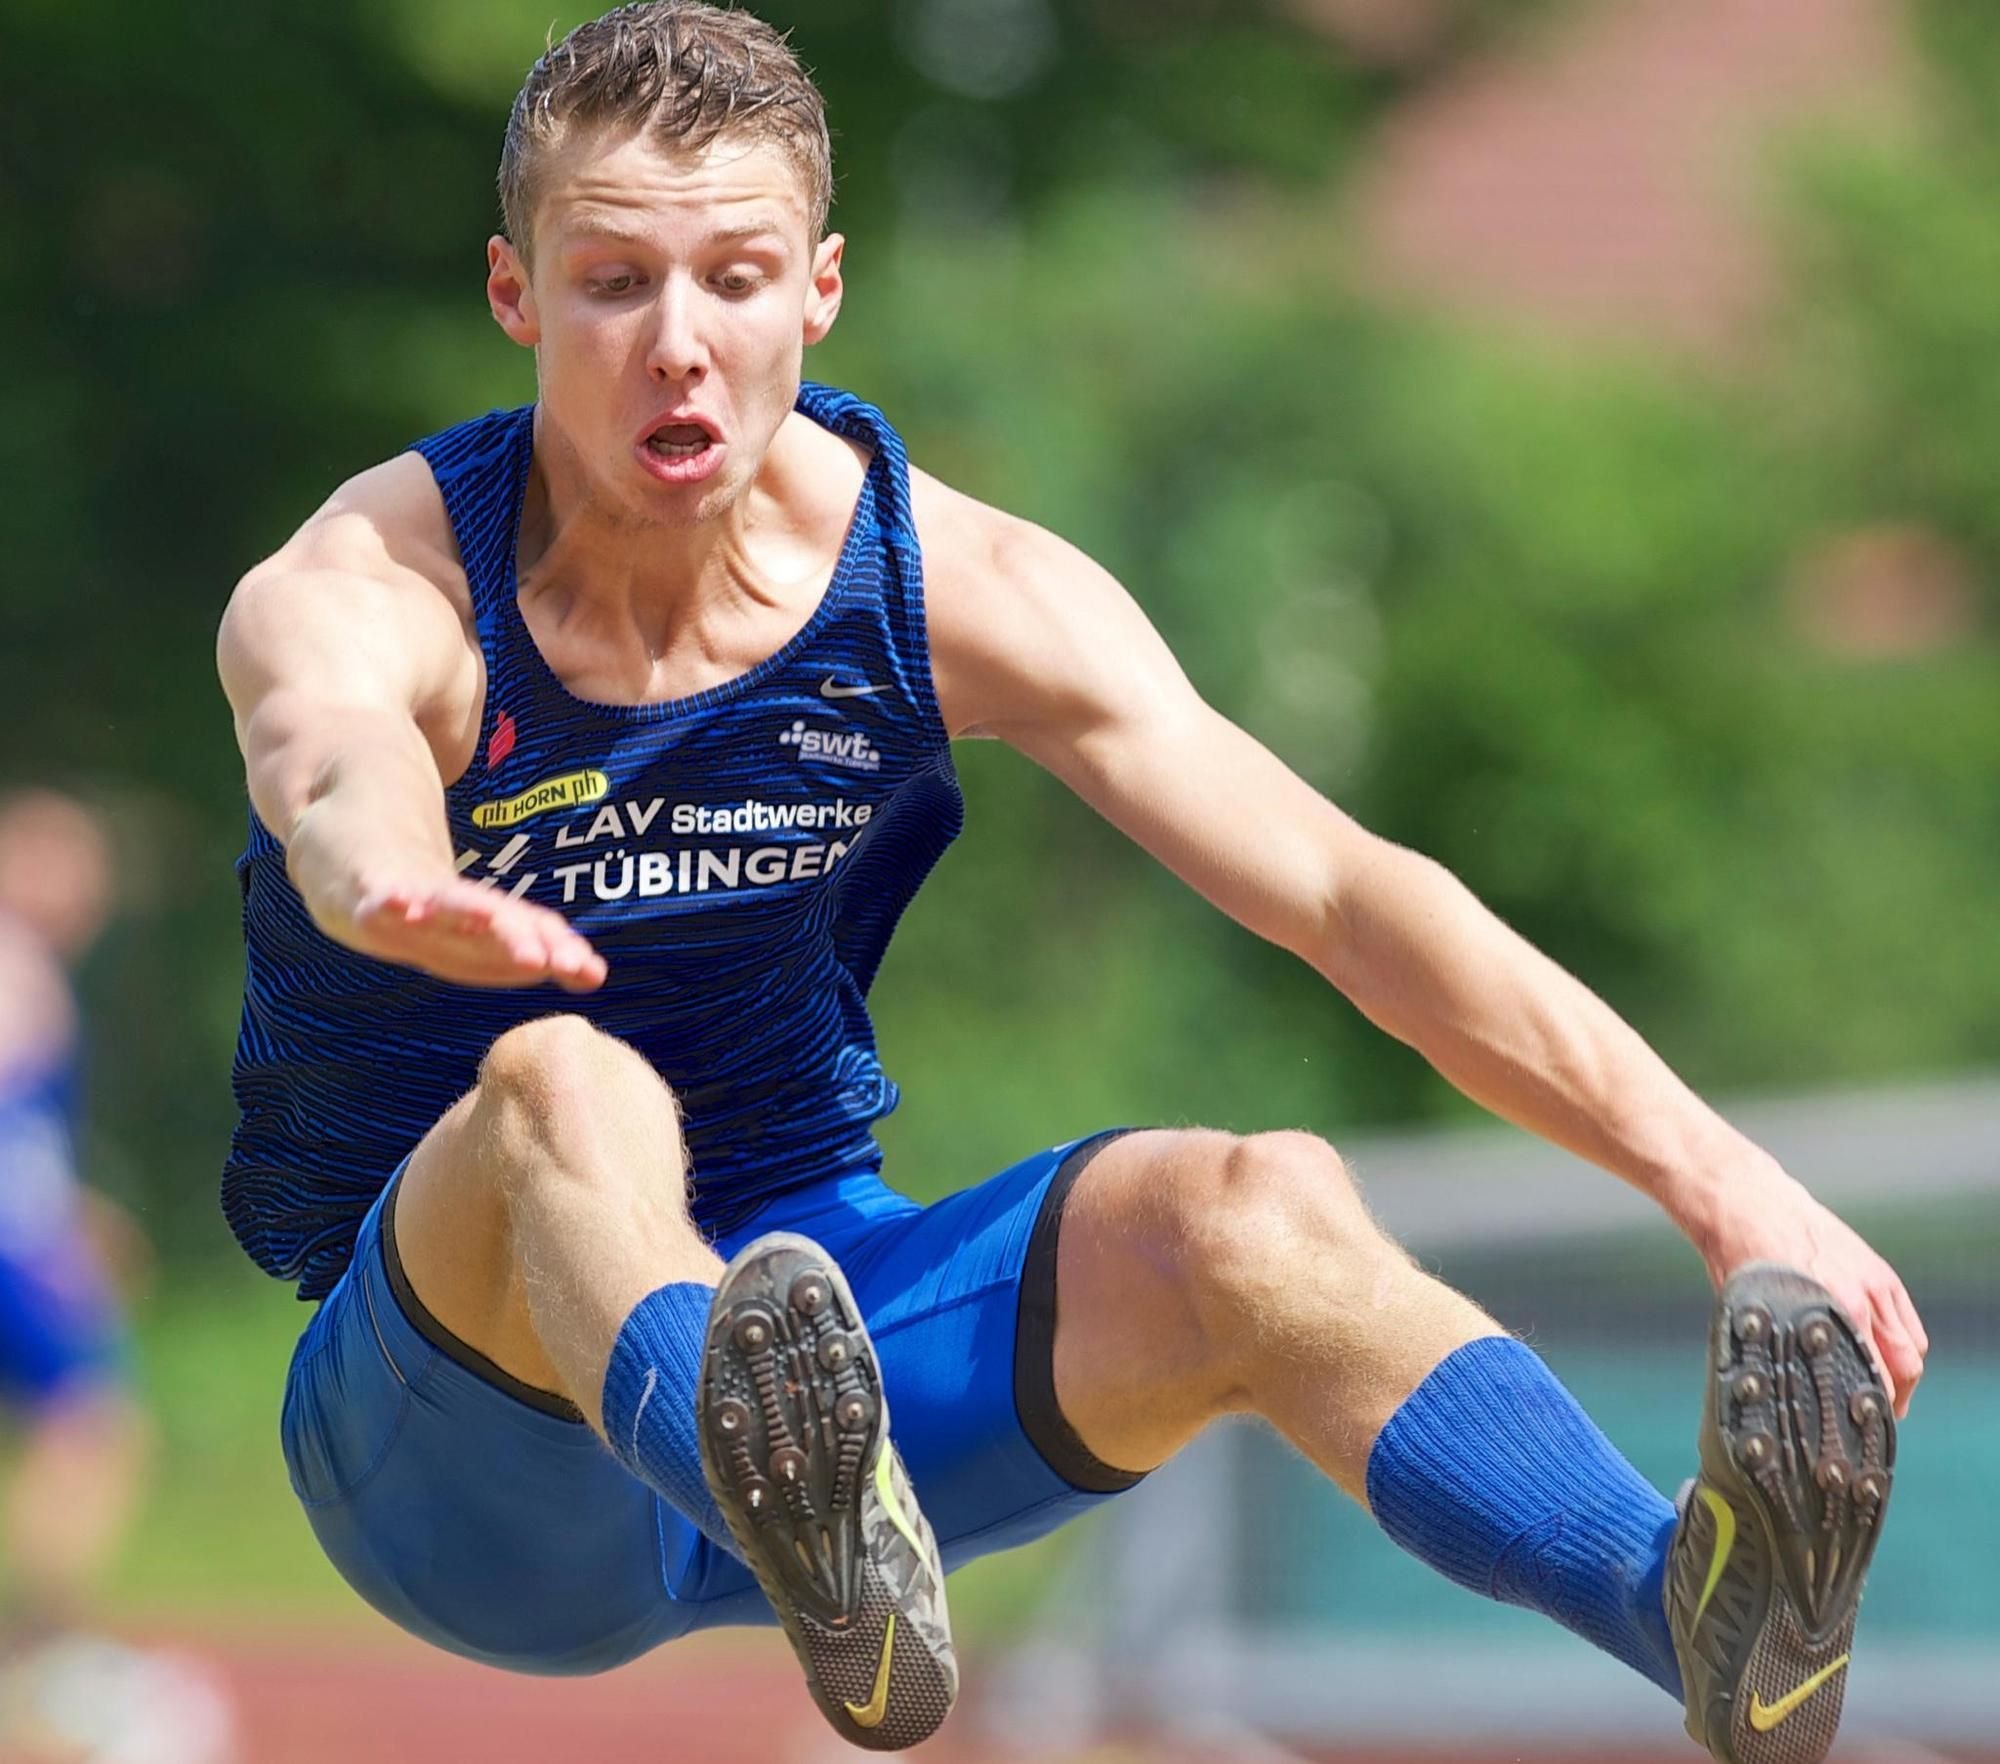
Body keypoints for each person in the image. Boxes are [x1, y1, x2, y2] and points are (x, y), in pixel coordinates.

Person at [215, 6, 1925, 1759]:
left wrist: (1725, 1186)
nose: (679, 348)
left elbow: (1343, 893)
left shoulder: (958, 584)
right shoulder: (382, 574)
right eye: (613, 285)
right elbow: (327, 747)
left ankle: (1688, 1615)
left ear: (819, 289)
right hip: (462, 1441)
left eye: (734, 280)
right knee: (563, 1083)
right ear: (516, 294)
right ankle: (760, 1458)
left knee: (1249, 1209)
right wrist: (386, 879)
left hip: (844, 1378)